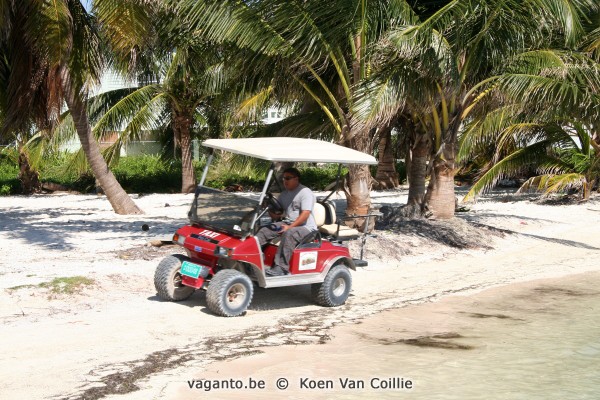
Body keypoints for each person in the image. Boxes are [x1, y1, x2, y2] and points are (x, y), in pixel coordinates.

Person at [256, 167, 317, 276]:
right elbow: (277, 215)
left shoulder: (305, 192)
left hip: (307, 228)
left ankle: (281, 267)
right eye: (283, 178)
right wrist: (268, 207)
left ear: (296, 179)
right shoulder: (284, 194)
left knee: (289, 233)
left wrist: (290, 227)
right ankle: (255, 258)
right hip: (287, 223)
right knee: (264, 230)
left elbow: (305, 214)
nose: (285, 181)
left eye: (288, 178)